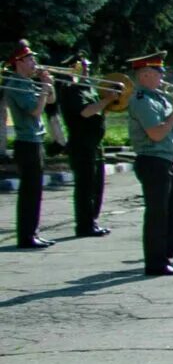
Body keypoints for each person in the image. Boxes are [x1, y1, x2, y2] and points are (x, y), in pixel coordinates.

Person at [125, 52, 173, 275]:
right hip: (152, 160)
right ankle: (155, 263)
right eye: (158, 73)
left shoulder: (158, 98)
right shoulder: (142, 101)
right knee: (158, 214)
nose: (162, 77)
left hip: (165, 160)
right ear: (144, 75)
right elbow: (155, 134)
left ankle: (164, 257)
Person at [54, 55, 115, 238]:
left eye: (87, 66)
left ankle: (92, 221)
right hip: (81, 144)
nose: (87, 70)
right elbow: (86, 112)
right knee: (85, 186)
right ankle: (84, 225)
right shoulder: (72, 89)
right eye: (83, 67)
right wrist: (106, 100)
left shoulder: (87, 87)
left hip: (95, 144)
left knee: (96, 185)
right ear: (73, 68)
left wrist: (110, 102)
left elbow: (97, 110)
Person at [5, 42, 55, 248]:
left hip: (35, 140)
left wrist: (47, 85)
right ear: (19, 62)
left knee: (36, 191)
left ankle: (32, 232)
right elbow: (34, 111)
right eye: (30, 59)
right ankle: (26, 237)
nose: (35, 62)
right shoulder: (15, 84)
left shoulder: (26, 82)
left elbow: (50, 101)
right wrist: (43, 89)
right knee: (30, 192)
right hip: (27, 142)